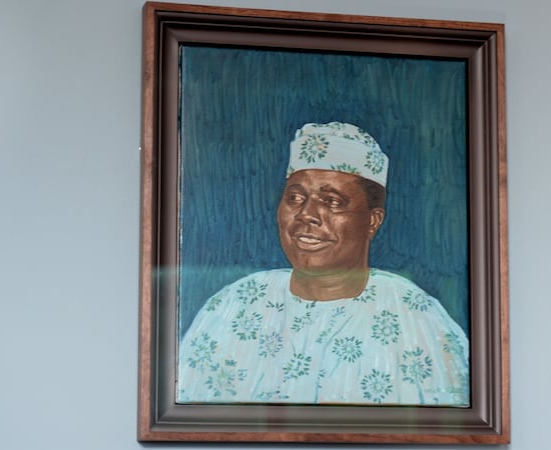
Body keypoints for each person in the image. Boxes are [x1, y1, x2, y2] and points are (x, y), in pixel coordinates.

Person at [177, 122, 469, 406]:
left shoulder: (417, 319)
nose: (307, 214)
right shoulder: (234, 306)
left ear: (373, 220)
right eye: (295, 198)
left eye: (331, 202)